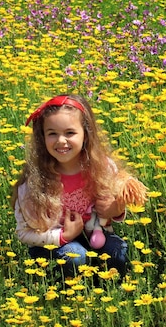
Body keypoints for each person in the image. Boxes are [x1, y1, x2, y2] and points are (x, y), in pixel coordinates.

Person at [12, 94, 138, 280]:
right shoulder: (35, 182)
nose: (61, 140)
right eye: (52, 133)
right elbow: (23, 233)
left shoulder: (103, 168)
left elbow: (113, 204)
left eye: (70, 133)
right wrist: (63, 236)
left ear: (86, 134)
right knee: (75, 256)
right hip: (52, 244)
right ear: (42, 137)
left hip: (95, 235)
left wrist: (115, 210)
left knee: (118, 251)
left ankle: (107, 290)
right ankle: (65, 292)